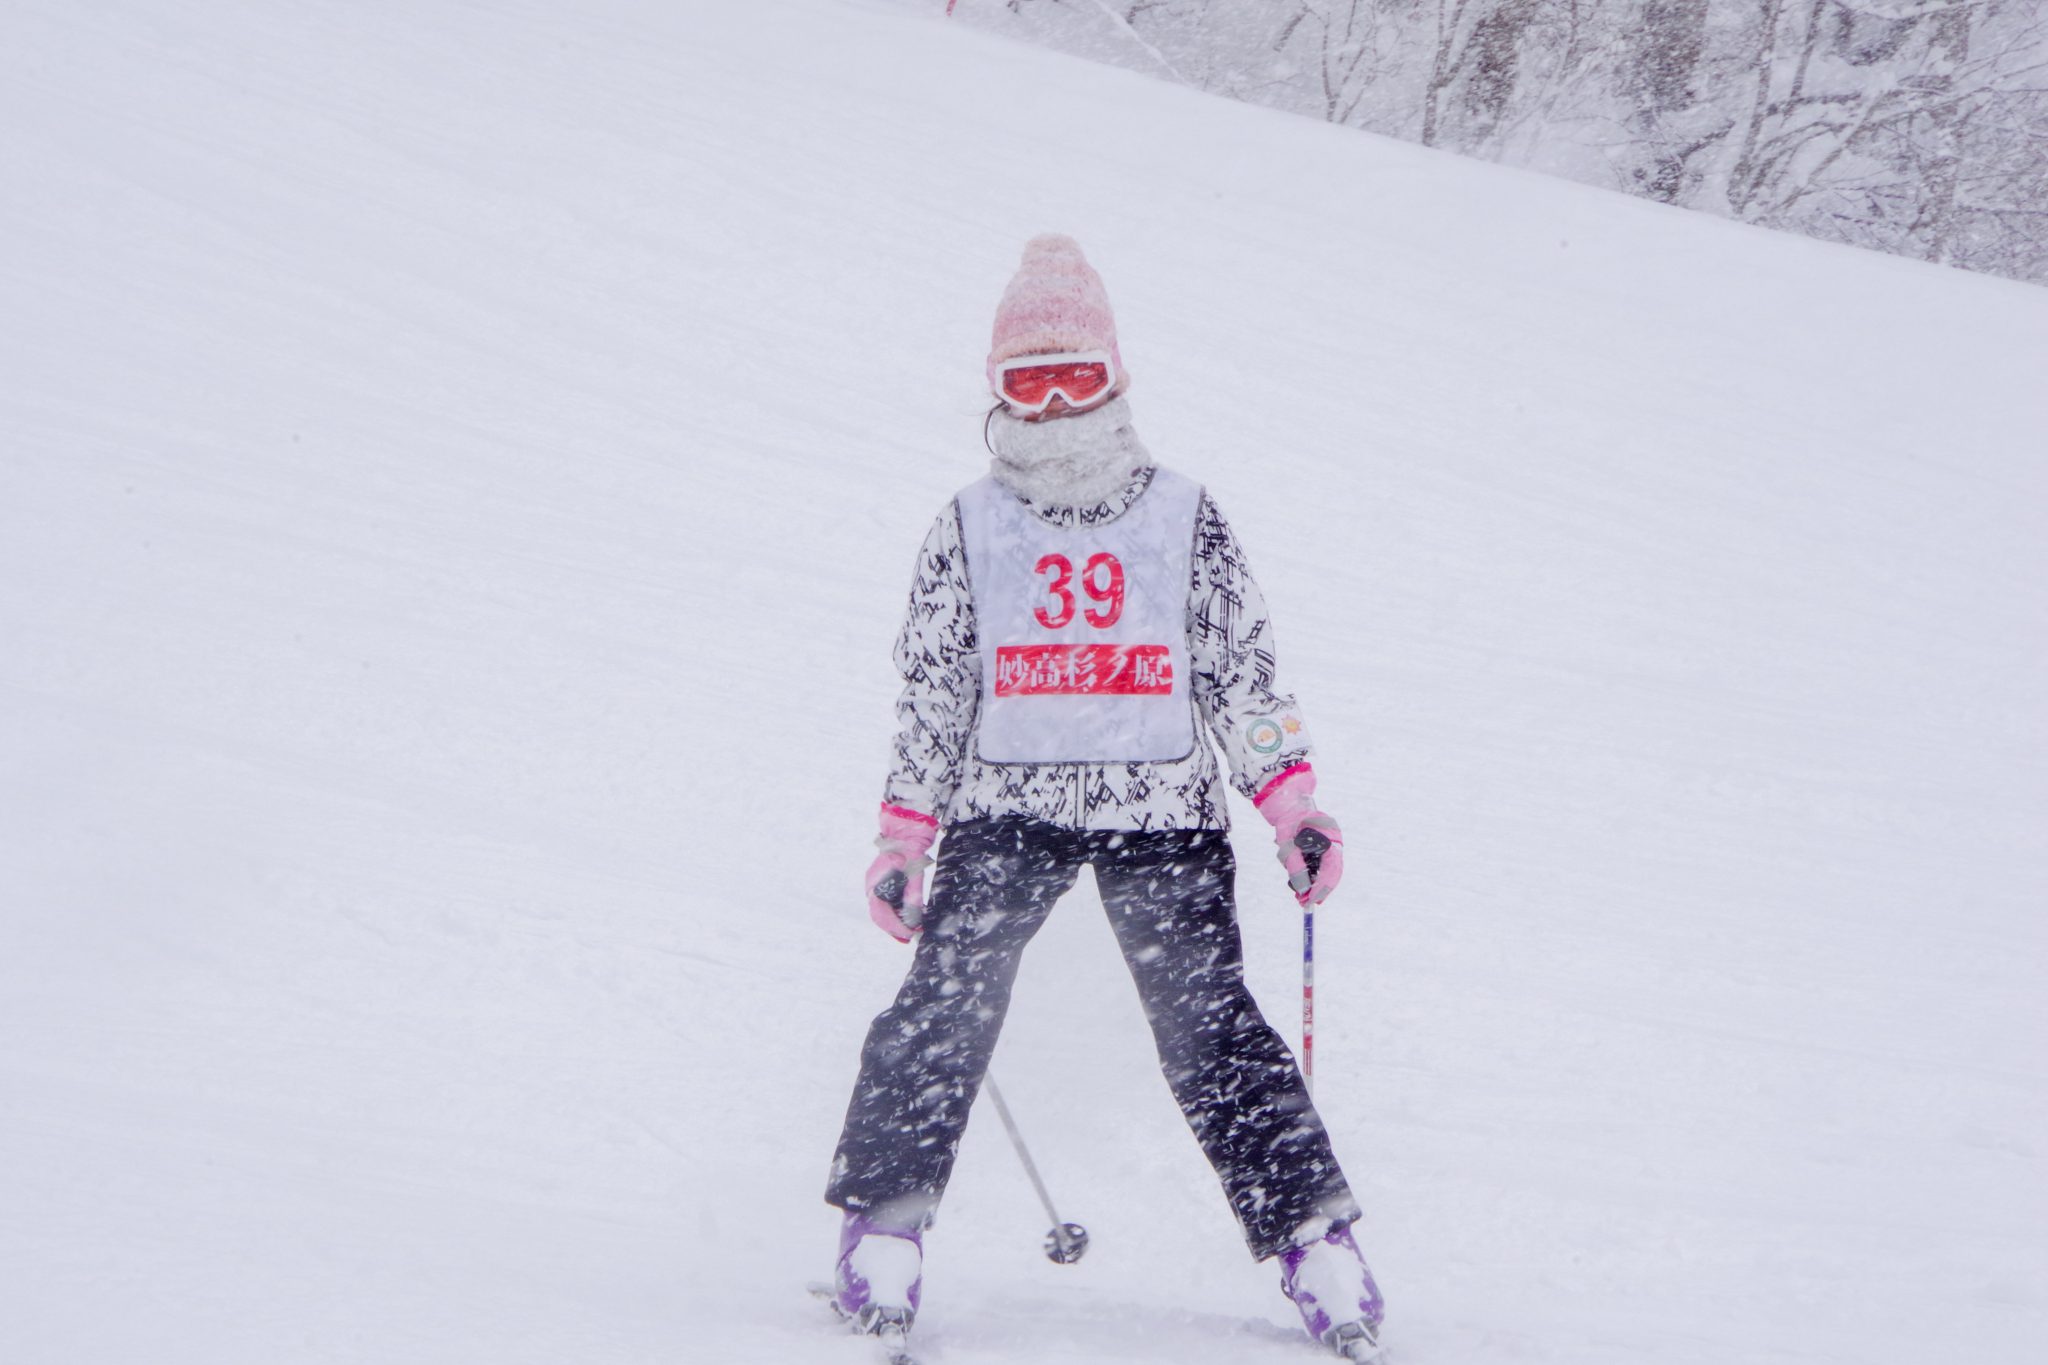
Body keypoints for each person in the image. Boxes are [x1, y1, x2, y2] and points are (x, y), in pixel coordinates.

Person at [823, 235, 1386, 1362]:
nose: (1052, 405)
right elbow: (934, 695)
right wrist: (904, 834)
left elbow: (1240, 675)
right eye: (1027, 382)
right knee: (944, 1005)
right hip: (1007, 807)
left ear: (1115, 377)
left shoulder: (1181, 515)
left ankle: (1312, 1240)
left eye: (1074, 376)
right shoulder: (969, 525)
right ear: (996, 389)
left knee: (1208, 1026)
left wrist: (1291, 805)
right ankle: (884, 1226)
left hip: (1160, 812)